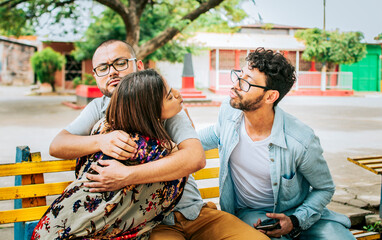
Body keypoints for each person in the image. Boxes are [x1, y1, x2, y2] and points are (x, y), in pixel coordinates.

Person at [49, 40, 269, 240]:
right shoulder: (98, 109)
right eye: (103, 68)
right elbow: (57, 144)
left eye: (120, 63)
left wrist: (126, 175)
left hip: (195, 212)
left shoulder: (165, 104)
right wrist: (101, 141)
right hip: (151, 224)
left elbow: (194, 157)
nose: (112, 72)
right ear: (96, 76)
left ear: (140, 66)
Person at [198, 47, 356, 240]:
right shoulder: (229, 112)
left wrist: (296, 220)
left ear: (270, 96)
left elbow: (325, 188)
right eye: (239, 76)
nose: (236, 85)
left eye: (246, 82)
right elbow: (215, 134)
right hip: (253, 214)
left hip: (301, 213)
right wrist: (171, 144)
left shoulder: (300, 140)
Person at [32, 69, 187, 239]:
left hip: (55, 226)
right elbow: (190, 159)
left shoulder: (105, 127)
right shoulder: (146, 149)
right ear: (150, 110)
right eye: (170, 96)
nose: (178, 95)